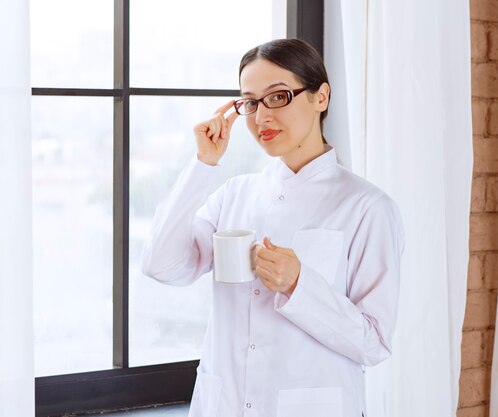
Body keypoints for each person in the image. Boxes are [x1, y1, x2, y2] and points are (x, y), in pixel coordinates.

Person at [140, 38, 405, 417]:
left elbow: (374, 343)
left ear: (321, 97)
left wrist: (300, 285)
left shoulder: (368, 208)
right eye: (250, 102)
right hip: (224, 405)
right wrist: (203, 165)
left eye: (278, 97)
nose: (261, 117)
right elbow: (159, 264)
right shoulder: (234, 193)